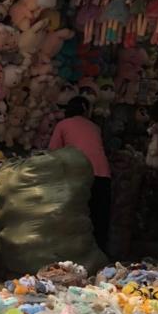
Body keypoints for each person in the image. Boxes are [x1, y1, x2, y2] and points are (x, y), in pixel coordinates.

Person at [49, 96, 111, 252]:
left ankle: (76, 252)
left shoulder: (63, 125)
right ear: (85, 109)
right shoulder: (94, 127)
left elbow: (53, 152)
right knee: (99, 217)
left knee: (77, 214)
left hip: (79, 176)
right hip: (102, 174)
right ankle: (99, 253)